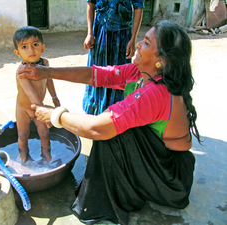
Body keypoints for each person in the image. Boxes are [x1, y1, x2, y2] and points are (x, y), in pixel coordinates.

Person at [16, 21, 201, 225]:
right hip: (158, 161)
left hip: (169, 177)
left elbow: (97, 128)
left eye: (147, 42)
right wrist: (47, 72)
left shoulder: (157, 92)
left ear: (162, 60)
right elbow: (97, 74)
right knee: (113, 121)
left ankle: (109, 202)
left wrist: (55, 115)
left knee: (111, 131)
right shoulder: (140, 73)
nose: (138, 44)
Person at [83, 0, 144, 115]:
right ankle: (94, 111)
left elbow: (138, 7)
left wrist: (133, 38)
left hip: (122, 36)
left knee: (119, 73)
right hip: (100, 33)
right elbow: (90, 4)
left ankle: (115, 113)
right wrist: (90, 33)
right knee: (97, 70)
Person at [13, 26, 60, 163]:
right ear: (18, 53)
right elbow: (31, 94)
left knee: (45, 133)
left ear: (42, 48)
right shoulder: (21, 72)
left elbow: (49, 80)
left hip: (39, 106)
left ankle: (46, 155)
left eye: (35, 45)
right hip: (24, 108)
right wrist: (45, 113)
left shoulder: (45, 63)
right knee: (23, 135)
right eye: (24, 47)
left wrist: (54, 97)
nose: (31, 50)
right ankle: (23, 156)